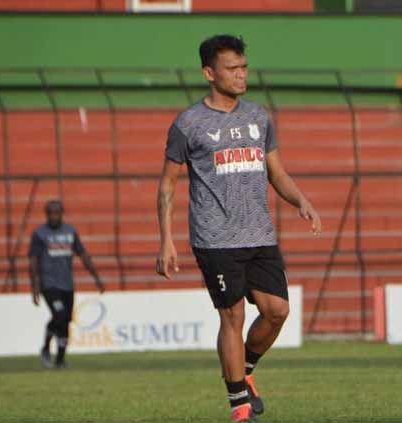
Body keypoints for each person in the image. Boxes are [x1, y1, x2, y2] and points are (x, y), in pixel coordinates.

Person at [155, 34, 321, 422]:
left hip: (259, 234)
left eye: (244, 67)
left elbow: (276, 172)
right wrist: (166, 240)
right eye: (232, 68)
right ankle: (239, 407)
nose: (241, 75)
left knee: (277, 310)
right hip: (215, 238)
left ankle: (245, 372)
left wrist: (300, 200)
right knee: (232, 317)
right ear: (209, 73)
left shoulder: (259, 118)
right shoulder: (188, 123)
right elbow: (167, 184)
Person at [28, 199, 104, 368]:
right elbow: (33, 260)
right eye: (50, 213)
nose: (53, 216)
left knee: (66, 320)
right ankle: (46, 348)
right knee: (60, 315)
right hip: (49, 285)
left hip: (67, 284)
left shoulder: (70, 232)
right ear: (46, 214)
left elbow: (83, 255)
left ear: (62, 213)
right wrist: (34, 287)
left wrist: (96, 277)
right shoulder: (40, 234)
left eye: (57, 213)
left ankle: (60, 359)